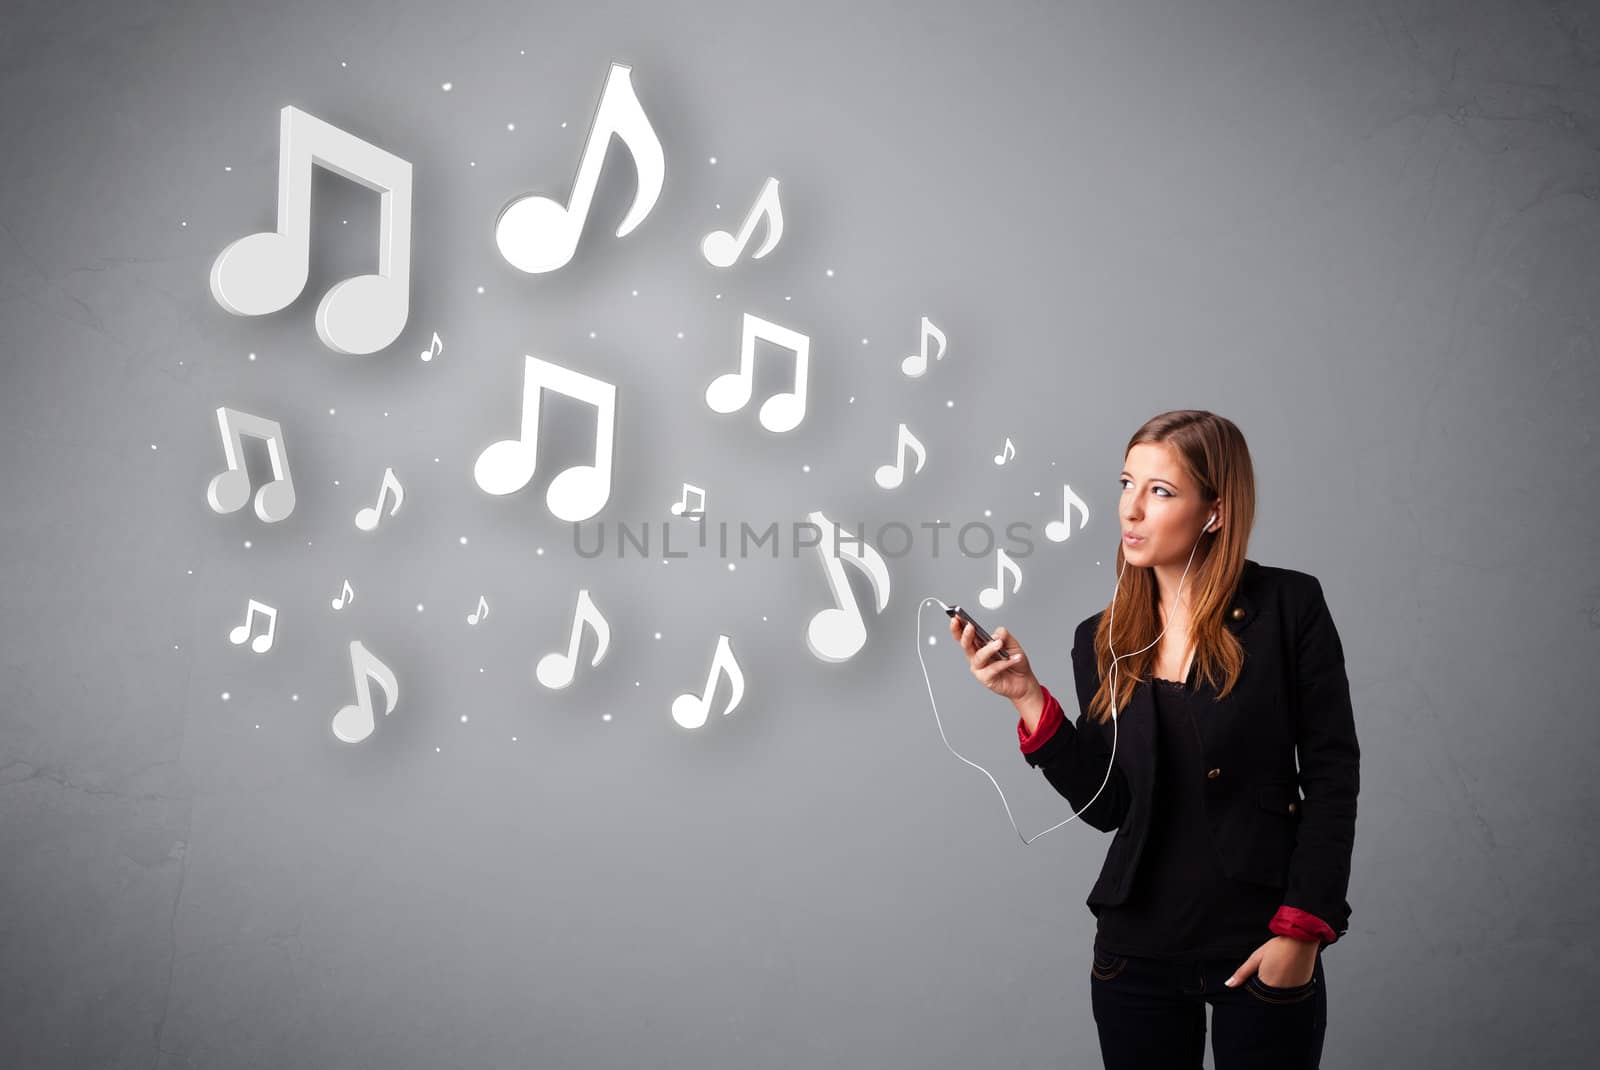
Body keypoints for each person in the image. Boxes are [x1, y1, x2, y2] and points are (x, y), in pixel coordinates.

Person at [949, 410, 1359, 1069]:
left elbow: (1334, 775)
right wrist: (1028, 698)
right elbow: (1110, 806)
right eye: (1125, 483)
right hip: (1135, 954)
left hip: (1261, 943)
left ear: (1215, 512)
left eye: (1161, 491)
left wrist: (1303, 932)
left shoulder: (1290, 608)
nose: (1131, 510)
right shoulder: (1102, 637)